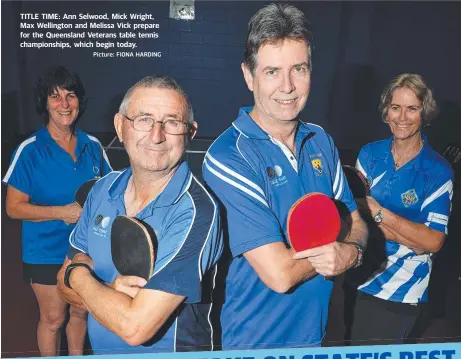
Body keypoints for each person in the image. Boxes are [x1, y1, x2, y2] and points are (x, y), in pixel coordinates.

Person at [202, 3, 368, 350]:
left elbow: (355, 221)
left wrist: (352, 253)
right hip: (255, 342)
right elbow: (279, 274)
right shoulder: (228, 155)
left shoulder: (320, 139)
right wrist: (336, 250)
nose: (288, 87)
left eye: (299, 69)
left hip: (316, 336)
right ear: (248, 76)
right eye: (272, 72)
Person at [57, 75, 223, 354]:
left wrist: (76, 274)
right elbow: (61, 288)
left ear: (190, 133)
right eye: (144, 119)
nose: (156, 136)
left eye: (172, 122)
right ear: (120, 126)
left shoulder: (197, 212)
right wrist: (107, 290)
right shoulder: (101, 191)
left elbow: (134, 328)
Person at [3, 65, 112, 356]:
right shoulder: (30, 150)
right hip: (45, 251)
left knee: (79, 314)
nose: (64, 104)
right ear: (45, 103)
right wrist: (61, 213)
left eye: (71, 95)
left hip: (85, 249)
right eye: (55, 96)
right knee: (53, 319)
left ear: (79, 102)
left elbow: (108, 193)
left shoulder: (93, 146)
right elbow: (13, 208)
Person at [348, 73, 454, 345]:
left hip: (401, 289)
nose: (402, 117)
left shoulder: (438, 171)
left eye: (412, 108)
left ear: (424, 113)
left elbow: (434, 241)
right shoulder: (369, 155)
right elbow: (354, 217)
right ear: (387, 110)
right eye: (395, 107)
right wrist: (410, 237)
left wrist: (381, 215)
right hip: (358, 274)